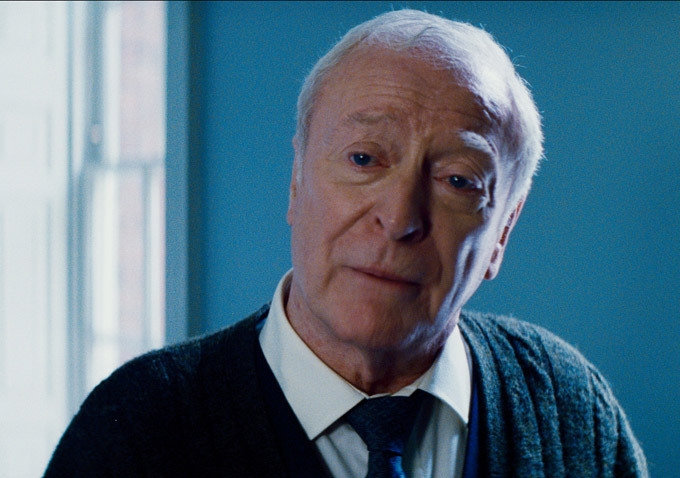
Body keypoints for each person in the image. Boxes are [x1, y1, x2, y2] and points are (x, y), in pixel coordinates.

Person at [45, 9, 648, 478]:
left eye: (458, 180)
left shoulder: (571, 413)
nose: (399, 217)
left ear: (502, 234)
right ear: (296, 182)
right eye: (364, 159)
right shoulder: (133, 433)